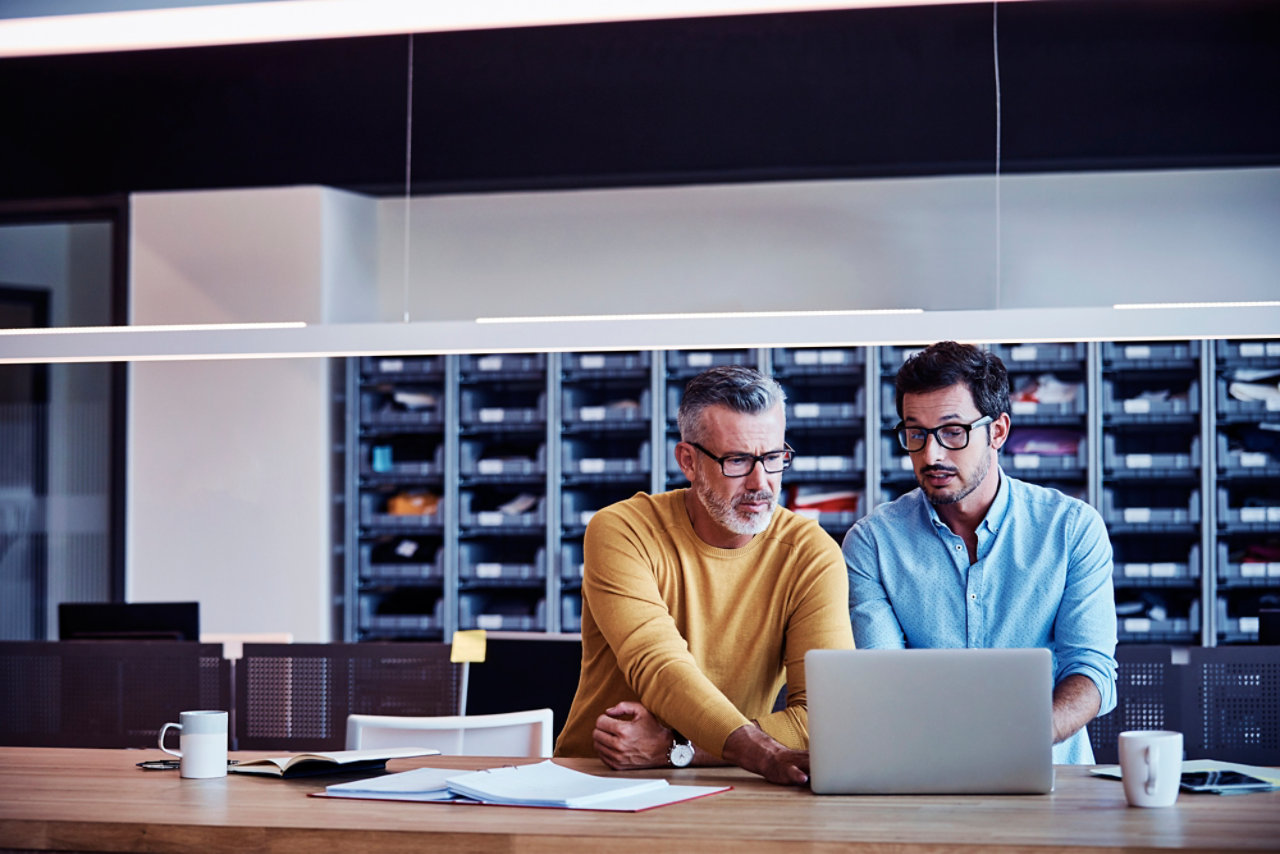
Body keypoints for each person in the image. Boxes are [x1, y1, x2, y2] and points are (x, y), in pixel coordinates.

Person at [553, 365, 854, 784]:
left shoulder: (810, 552)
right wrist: (761, 752)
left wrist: (681, 751)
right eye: (737, 461)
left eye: (772, 458)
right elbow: (660, 667)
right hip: (597, 780)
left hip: (733, 783)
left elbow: (824, 717)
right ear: (688, 461)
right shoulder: (623, 530)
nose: (760, 482)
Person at [843, 341, 1117, 764]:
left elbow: (1091, 671)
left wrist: (1017, 741)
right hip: (923, 776)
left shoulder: (1071, 528)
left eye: (953, 432)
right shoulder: (873, 543)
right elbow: (883, 680)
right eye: (915, 433)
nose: (931, 454)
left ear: (998, 431)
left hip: (1050, 776)